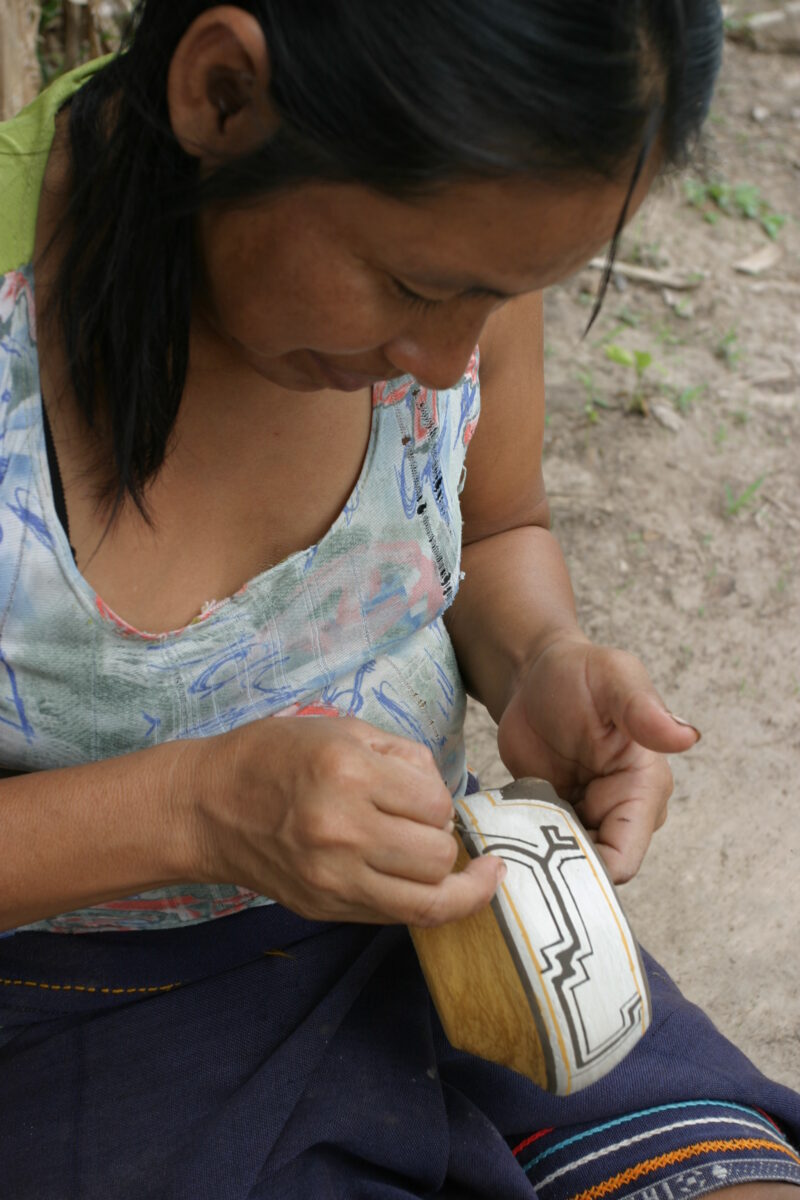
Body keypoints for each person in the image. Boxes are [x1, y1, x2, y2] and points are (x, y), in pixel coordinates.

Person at [0, 2, 797, 1196]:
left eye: (501, 295)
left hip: (455, 938)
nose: (447, 356)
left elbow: (497, 523)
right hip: (88, 1016)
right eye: (413, 285)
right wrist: (196, 809)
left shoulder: (468, 236)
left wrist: (536, 659)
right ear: (221, 92)